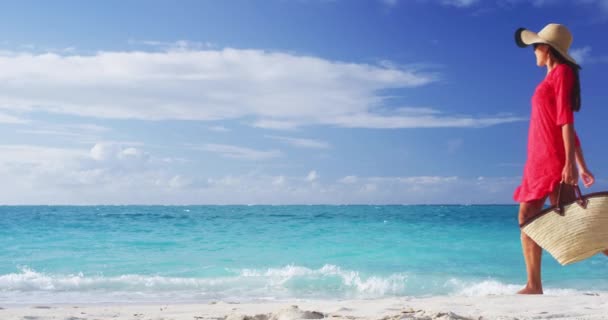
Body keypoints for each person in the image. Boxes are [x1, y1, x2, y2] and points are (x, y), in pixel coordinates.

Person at [513, 23, 602, 295]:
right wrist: (582, 165)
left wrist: (570, 165)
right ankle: (534, 284)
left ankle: (534, 285)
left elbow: (567, 121)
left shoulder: (562, 73)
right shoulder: (550, 78)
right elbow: (563, 126)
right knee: (573, 222)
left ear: (546, 49)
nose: (533, 52)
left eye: (535, 46)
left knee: (535, 218)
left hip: (551, 162)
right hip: (538, 162)